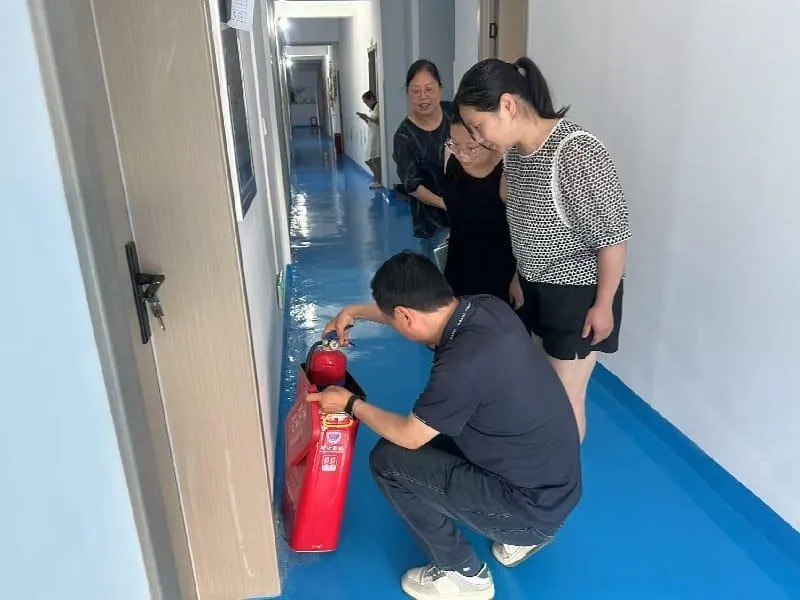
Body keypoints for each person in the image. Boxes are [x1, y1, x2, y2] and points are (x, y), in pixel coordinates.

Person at [307, 251, 581, 600]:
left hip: (529, 509)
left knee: (389, 461)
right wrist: (355, 311)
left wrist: (349, 404)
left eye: (395, 317)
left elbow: (409, 435)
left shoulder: (460, 367)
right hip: (556, 488)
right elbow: (414, 316)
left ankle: (463, 574)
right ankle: (522, 537)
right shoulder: (487, 309)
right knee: (441, 431)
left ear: (405, 315)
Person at [454, 57, 631, 442]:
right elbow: (521, 219)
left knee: (563, 400)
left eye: (478, 126)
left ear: (507, 105)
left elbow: (613, 236)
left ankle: (561, 475)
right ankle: (544, 468)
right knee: (541, 390)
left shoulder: (576, 151)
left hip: (578, 295)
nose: (478, 137)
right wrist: (521, 274)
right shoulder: (516, 154)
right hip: (537, 287)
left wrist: (603, 303)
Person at [441, 111, 516, 301]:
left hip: (498, 272)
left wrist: (518, 279)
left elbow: (526, 235)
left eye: (471, 147)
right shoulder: (452, 160)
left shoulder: (507, 171)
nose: (462, 154)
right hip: (458, 263)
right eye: (455, 144)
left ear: (489, 141)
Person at [393, 59, 453, 243]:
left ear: (439, 88)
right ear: (408, 93)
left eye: (429, 89)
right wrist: (447, 205)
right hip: (434, 225)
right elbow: (413, 186)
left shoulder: (454, 113)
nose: (423, 96)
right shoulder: (404, 136)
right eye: (416, 91)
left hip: (469, 214)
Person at [357, 90, 382, 189]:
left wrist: (367, 117)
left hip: (376, 137)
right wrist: (364, 118)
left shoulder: (378, 107)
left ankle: (378, 181)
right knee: (369, 160)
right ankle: (376, 179)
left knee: (374, 159)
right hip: (372, 136)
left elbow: (377, 120)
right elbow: (371, 123)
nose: (366, 104)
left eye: (366, 102)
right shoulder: (372, 110)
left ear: (371, 99)